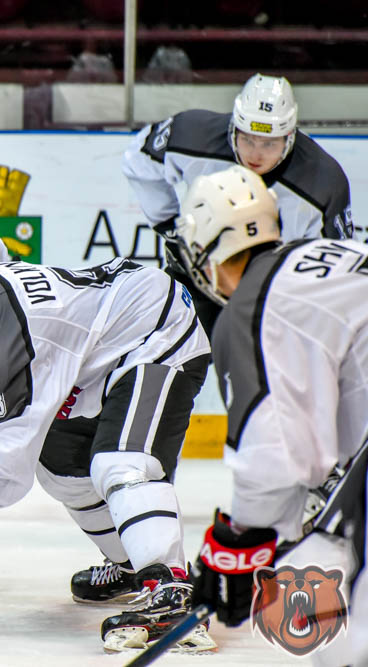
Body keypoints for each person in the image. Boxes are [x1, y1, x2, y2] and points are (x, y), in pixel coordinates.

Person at [0, 232, 215, 653]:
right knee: (60, 465)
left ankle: (171, 590)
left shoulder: (7, 349)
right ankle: (133, 566)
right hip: (101, 349)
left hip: (154, 330)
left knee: (121, 464)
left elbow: (4, 470)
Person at [171, 165, 367, 666]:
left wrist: (237, 545)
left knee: (343, 626)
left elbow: (274, 455)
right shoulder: (327, 255)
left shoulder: (252, 307)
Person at [122, 72, 354, 337]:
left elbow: (339, 266)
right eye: (248, 139)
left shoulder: (323, 182)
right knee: (163, 350)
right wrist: (170, 227)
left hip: (276, 297)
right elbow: (138, 159)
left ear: (289, 137)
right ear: (234, 127)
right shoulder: (193, 134)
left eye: (269, 143)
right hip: (200, 274)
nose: (255, 153)